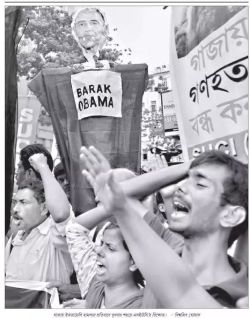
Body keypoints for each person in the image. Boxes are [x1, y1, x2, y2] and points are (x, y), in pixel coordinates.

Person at [81, 147, 248, 308]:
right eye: (185, 180)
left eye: (200, 185)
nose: (180, 187)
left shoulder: (236, 300)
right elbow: (120, 194)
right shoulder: (170, 249)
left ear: (231, 215)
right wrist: (190, 165)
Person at [64, 167, 144, 309]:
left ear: (134, 261)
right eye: (101, 244)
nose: (98, 251)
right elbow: (73, 230)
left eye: (111, 248)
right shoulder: (95, 284)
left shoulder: (148, 303)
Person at [6, 153, 73, 283]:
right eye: (15, 202)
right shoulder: (16, 238)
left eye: (23, 202)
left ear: (44, 208)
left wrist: (43, 167)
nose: (15, 209)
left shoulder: (55, 236)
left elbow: (60, 214)